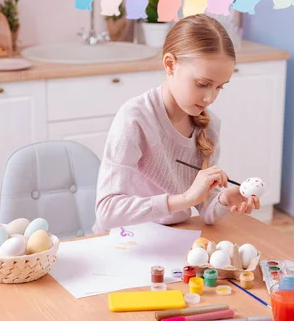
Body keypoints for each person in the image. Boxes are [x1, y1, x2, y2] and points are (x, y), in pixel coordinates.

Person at [93, 14, 260, 233]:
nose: (210, 98)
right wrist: (185, 198)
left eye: (219, 87)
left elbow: (204, 208)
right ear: (170, 64)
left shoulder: (209, 127)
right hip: (126, 240)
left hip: (176, 238)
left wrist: (225, 199)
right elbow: (107, 213)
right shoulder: (134, 119)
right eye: (202, 84)